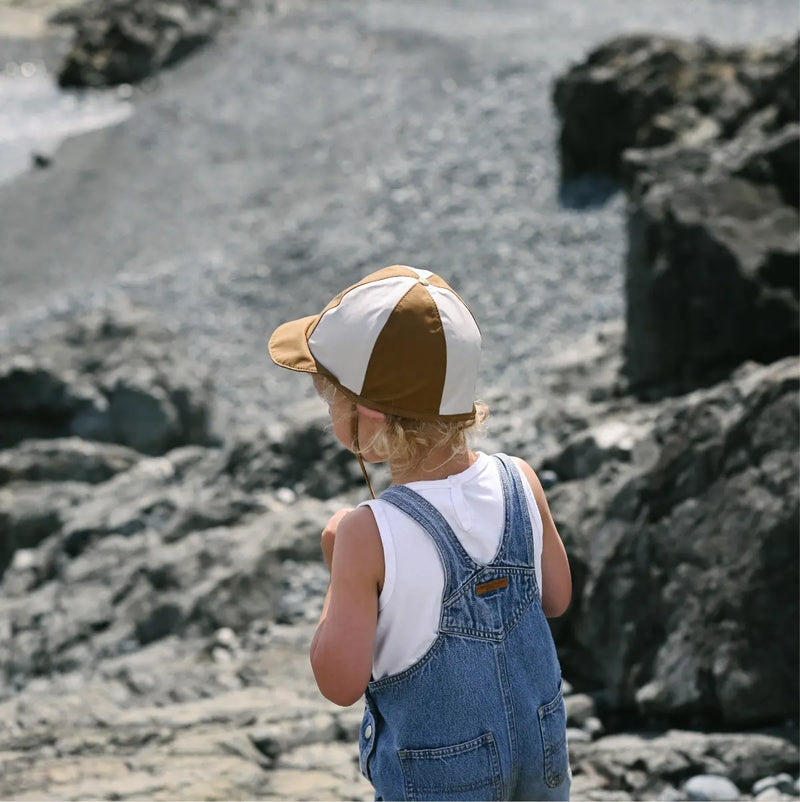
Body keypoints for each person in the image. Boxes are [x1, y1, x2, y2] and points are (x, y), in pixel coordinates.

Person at [268, 264, 572, 801]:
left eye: (330, 400)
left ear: (368, 416)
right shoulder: (519, 479)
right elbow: (557, 598)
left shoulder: (367, 533)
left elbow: (338, 683)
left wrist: (340, 572)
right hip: (540, 759)